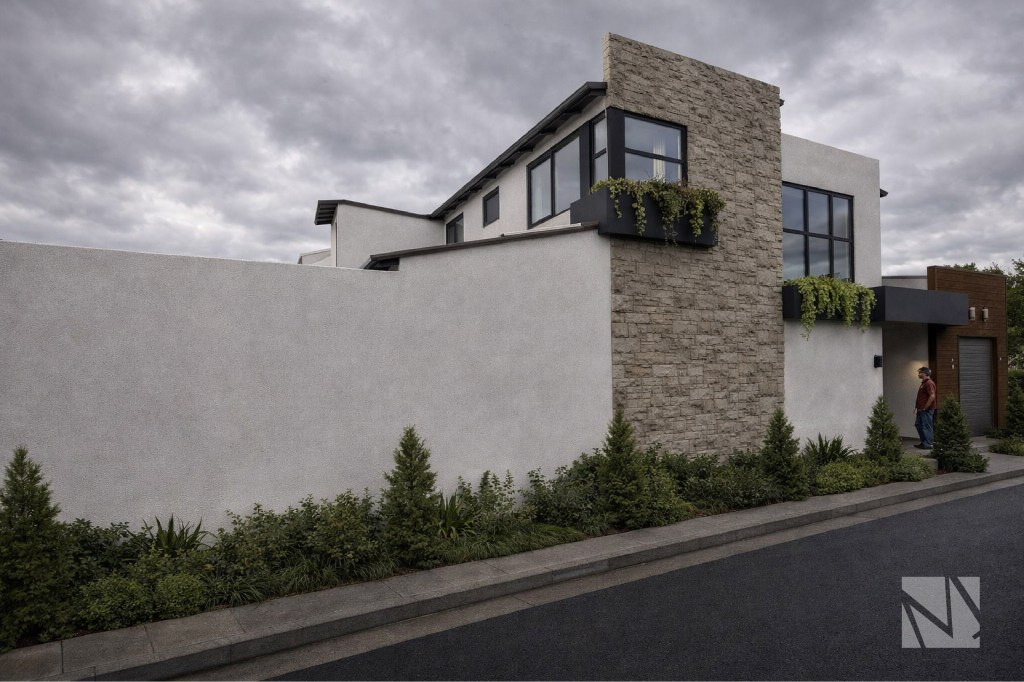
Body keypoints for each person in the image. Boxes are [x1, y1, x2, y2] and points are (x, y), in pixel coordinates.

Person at [914, 367, 937, 449]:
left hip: (926, 410)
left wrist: (925, 407)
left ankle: (928, 444)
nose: (918, 374)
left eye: (920, 372)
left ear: (925, 373)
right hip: (921, 409)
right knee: (918, 425)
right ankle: (924, 442)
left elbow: (932, 396)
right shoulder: (923, 383)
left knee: (926, 426)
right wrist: (917, 407)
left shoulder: (929, 383)